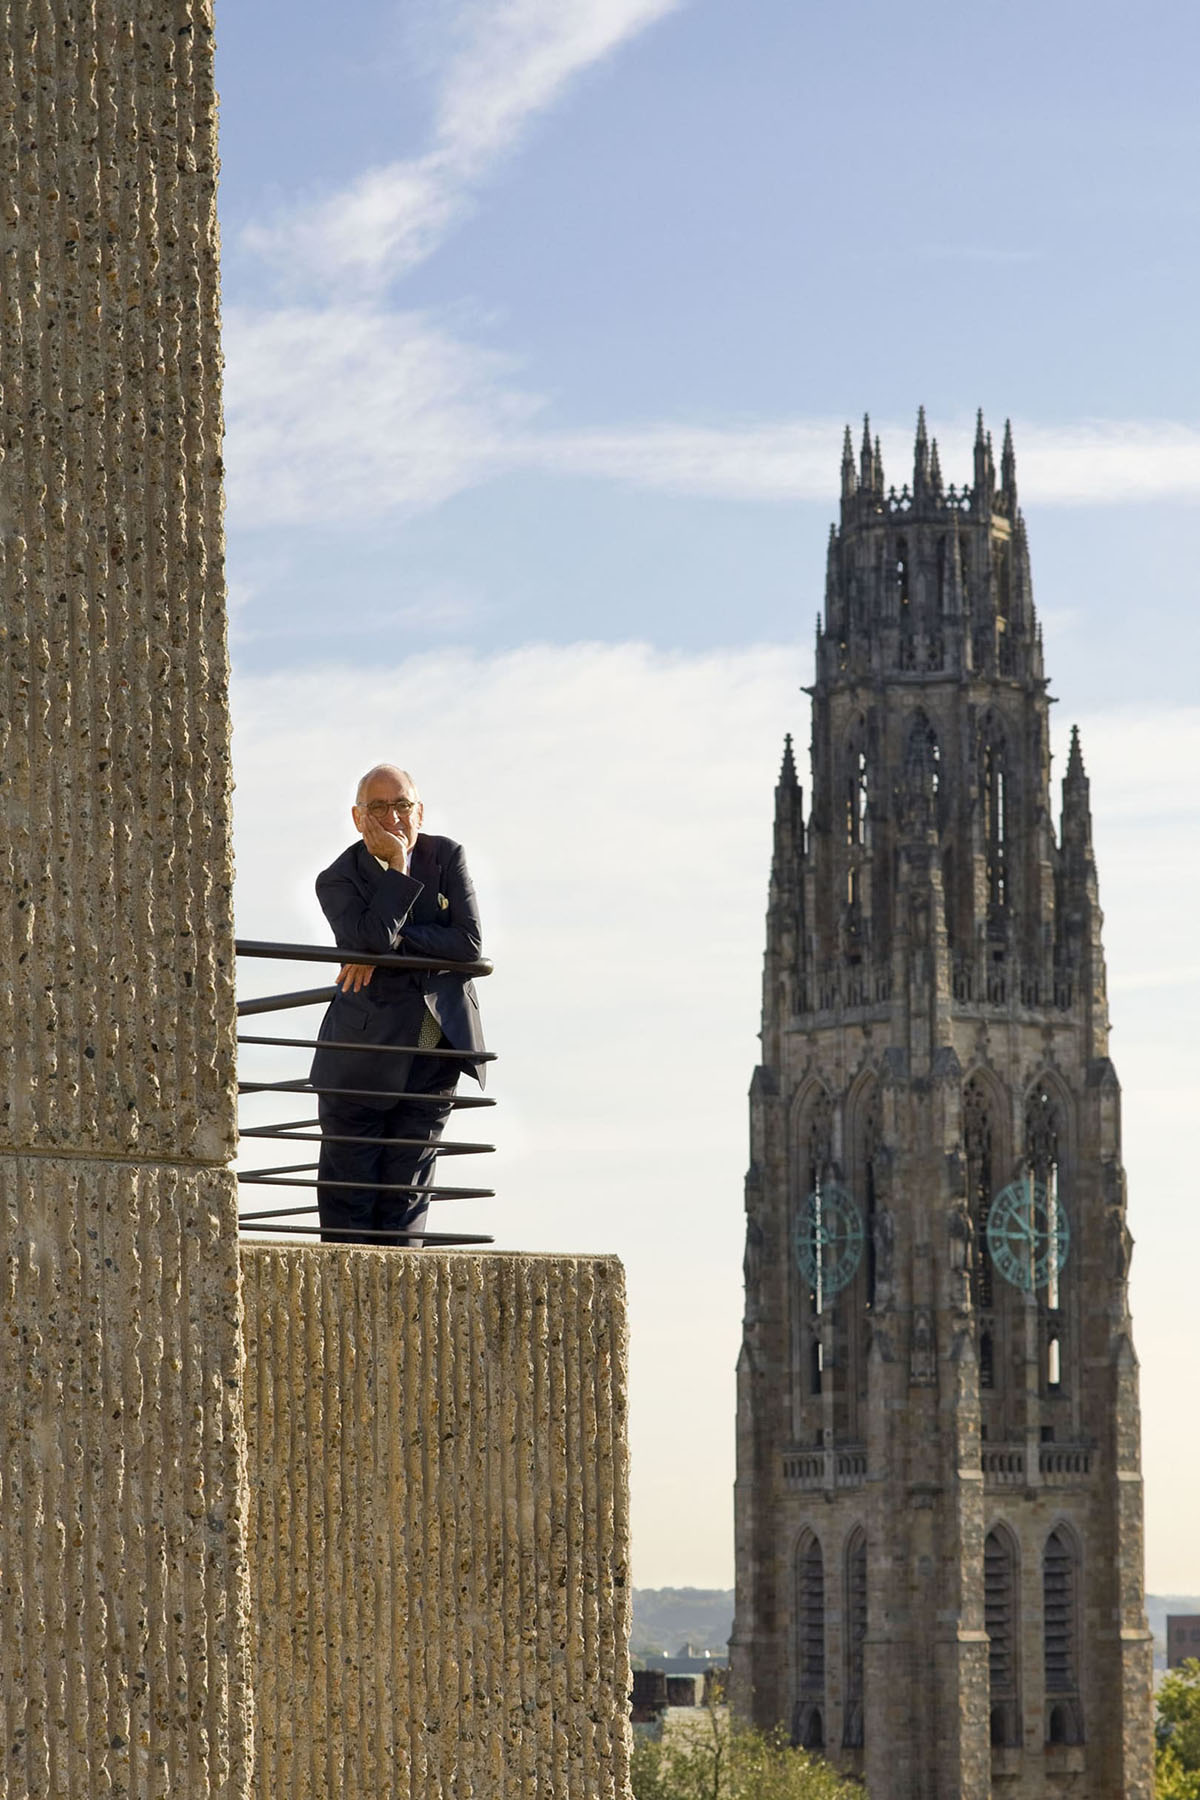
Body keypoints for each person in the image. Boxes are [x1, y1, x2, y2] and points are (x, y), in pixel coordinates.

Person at [309, 764, 487, 1244]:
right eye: (378, 807)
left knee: (406, 1202)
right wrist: (398, 868)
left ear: (419, 811)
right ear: (357, 817)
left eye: (402, 805)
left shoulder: (447, 856)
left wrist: (393, 942)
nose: (392, 818)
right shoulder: (337, 879)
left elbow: (469, 944)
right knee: (350, 1207)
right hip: (359, 1059)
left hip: (433, 1051)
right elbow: (370, 940)